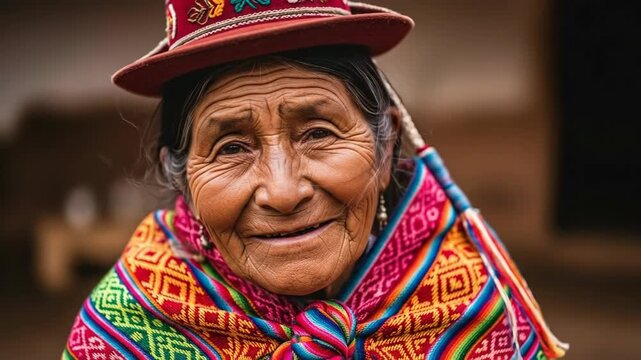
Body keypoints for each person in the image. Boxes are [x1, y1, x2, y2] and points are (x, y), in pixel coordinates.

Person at [64, 1, 568, 359]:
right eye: (231, 148)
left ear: (386, 143)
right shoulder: (129, 325)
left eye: (319, 133)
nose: (283, 192)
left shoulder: (471, 299)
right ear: (184, 176)